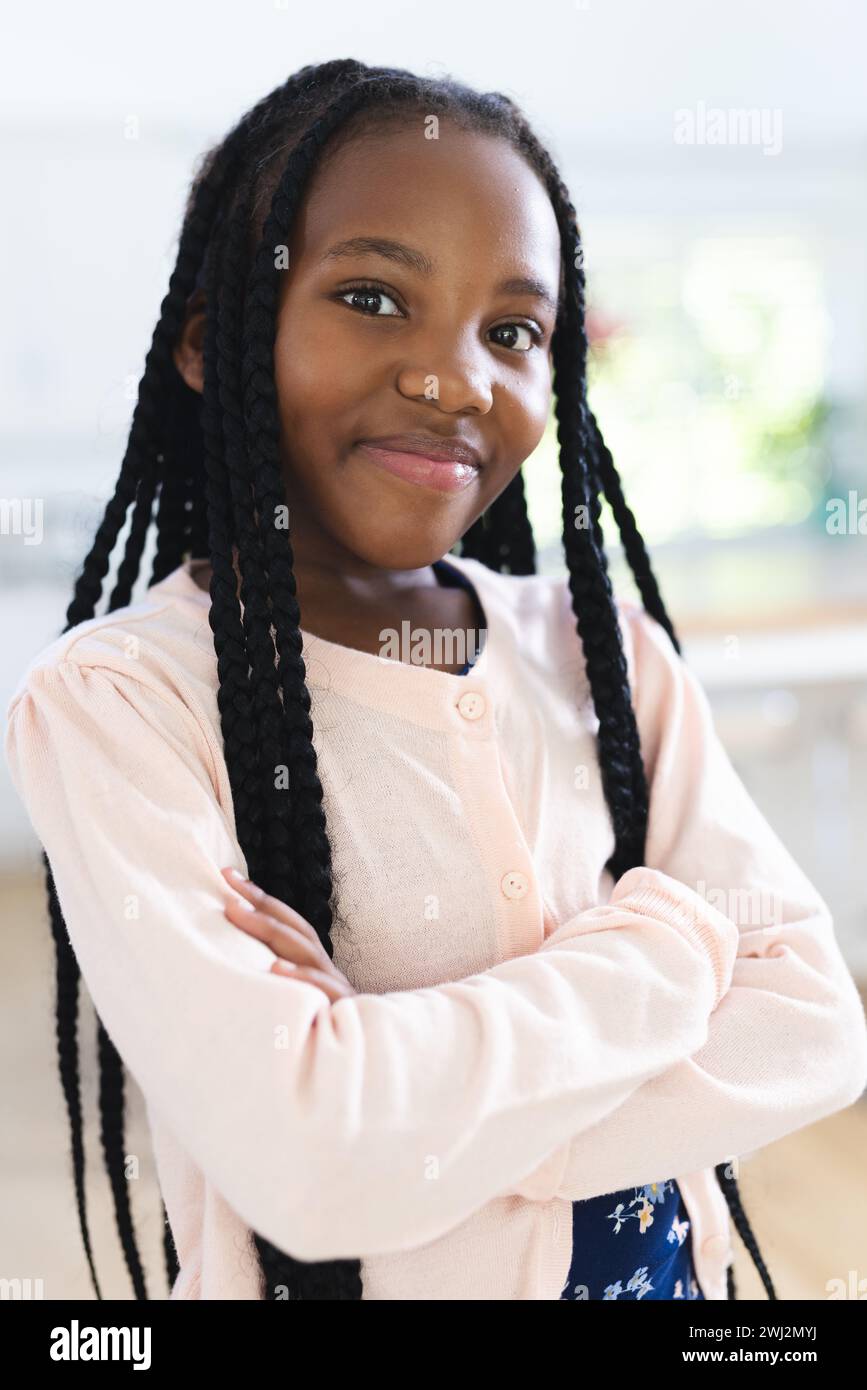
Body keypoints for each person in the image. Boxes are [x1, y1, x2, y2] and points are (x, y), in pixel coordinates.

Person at [6, 59, 867, 1301]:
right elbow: (311, 1162)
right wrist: (675, 944)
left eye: (512, 329)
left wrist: (418, 1123)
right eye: (371, 295)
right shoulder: (124, 701)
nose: (457, 378)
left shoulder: (605, 653)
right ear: (212, 339)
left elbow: (818, 1026)